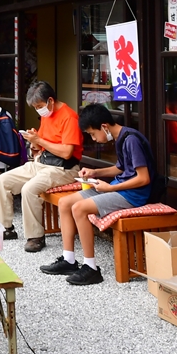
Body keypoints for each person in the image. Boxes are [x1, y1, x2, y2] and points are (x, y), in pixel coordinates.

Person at [40, 103, 155, 285]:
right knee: (64, 203)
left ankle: (91, 267)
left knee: (79, 208)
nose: (93, 139)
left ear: (104, 126)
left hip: (133, 195)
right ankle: (69, 259)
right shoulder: (121, 137)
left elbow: (143, 178)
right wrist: (95, 172)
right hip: (120, 188)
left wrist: (110, 188)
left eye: (93, 134)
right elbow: (121, 168)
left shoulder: (131, 140)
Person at [0, 80, 82, 252]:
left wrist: (39, 140)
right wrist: (34, 140)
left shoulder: (69, 117)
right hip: (43, 162)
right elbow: (43, 144)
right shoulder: (48, 114)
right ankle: (4, 228)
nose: (38, 110)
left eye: (39, 106)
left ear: (50, 101)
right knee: (3, 180)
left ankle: (36, 236)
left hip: (64, 168)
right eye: (36, 107)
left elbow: (67, 153)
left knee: (29, 189)